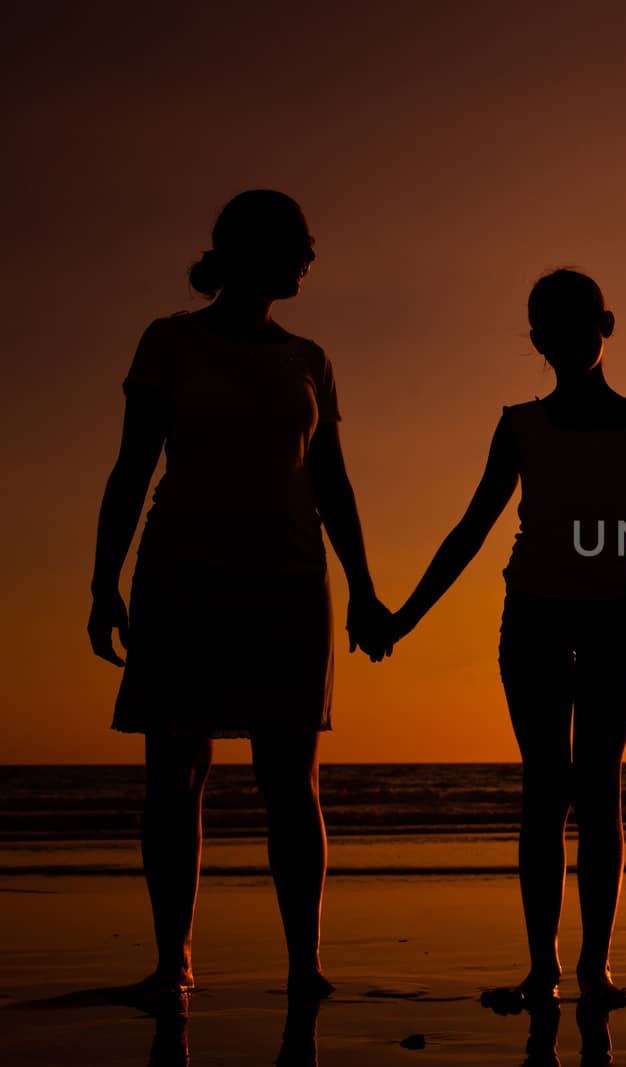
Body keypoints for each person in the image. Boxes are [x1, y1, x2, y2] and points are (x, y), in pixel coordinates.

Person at [385, 269, 626, 1008]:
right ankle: (541, 967)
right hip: (535, 613)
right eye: (548, 330)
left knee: (598, 786)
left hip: (616, 612)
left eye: (578, 326)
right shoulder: (520, 425)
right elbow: (471, 529)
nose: (564, 340)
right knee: (546, 789)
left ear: (605, 325)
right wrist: (404, 616)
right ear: (538, 340)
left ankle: (593, 969)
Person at [88, 189, 392, 1004]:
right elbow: (131, 469)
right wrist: (101, 581)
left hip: (290, 582)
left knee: (292, 780)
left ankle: (306, 964)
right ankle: (172, 960)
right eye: (300, 242)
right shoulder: (169, 342)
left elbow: (331, 482)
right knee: (175, 771)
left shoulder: (309, 357)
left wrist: (364, 587)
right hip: (184, 575)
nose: (311, 256)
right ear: (252, 251)